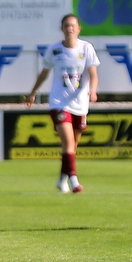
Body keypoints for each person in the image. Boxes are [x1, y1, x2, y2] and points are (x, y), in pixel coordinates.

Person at [25, 14, 99, 193]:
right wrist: (33, 92)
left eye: (73, 25)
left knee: (73, 146)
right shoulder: (55, 50)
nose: (70, 29)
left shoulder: (86, 48)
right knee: (68, 142)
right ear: (62, 29)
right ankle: (74, 180)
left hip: (80, 103)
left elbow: (93, 74)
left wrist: (93, 90)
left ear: (79, 28)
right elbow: (44, 73)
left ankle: (62, 178)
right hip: (59, 103)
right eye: (66, 26)